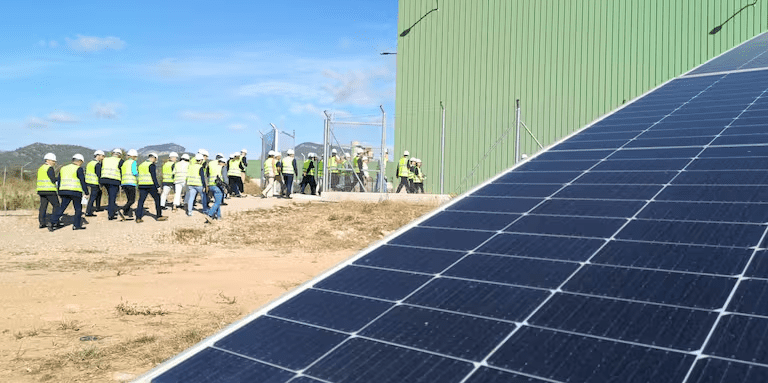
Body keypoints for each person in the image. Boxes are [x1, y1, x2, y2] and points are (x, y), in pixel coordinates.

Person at [49, 154, 88, 231]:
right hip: (75, 191)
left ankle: (53, 222)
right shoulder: (78, 169)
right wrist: (86, 192)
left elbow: (59, 180)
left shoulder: (63, 168)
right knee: (78, 208)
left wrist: (59, 190)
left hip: (63, 191)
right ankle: (76, 225)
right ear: (79, 161)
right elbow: (82, 181)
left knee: (62, 207)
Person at [136, 153, 168, 223]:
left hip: (141, 184)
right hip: (150, 184)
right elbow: (153, 176)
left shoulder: (141, 165)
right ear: (154, 158)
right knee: (157, 199)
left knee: (141, 201)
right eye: (156, 159)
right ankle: (159, 216)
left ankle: (138, 217)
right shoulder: (151, 165)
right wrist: (158, 187)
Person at [36, 153, 60, 229]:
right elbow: (53, 179)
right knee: (56, 206)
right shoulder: (49, 168)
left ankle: (42, 223)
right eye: (53, 161)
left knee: (43, 206)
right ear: (48, 160)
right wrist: (59, 178)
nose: (54, 163)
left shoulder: (41, 168)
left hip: (41, 190)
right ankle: (54, 222)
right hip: (50, 190)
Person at [100, 149, 123, 220]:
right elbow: (122, 171)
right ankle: (111, 214)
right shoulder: (120, 161)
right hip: (114, 180)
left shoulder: (105, 159)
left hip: (104, 179)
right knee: (112, 197)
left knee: (110, 196)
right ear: (119, 155)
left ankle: (112, 209)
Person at [205, 156, 227, 223]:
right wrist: (226, 187)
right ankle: (209, 215)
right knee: (217, 202)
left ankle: (219, 216)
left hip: (211, 185)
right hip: (218, 186)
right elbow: (224, 177)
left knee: (217, 201)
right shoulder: (222, 168)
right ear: (223, 162)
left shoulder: (212, 165)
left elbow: (207, 174)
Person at [118, 149, 139, 221]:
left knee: (129, 199)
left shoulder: (124, 163)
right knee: (132, 200)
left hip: (124, 183)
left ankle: (126, 212)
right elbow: (134, 172)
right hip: (131, 182)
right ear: (134, 156)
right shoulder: (133, 162)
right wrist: (138, 176)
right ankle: (123, 209)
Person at [84, 150, 104, 217]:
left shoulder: (90, 163)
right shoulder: (97, 164)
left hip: (88, 182)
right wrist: (101, 183)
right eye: (102, 156)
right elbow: (99, 174)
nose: (103, 157)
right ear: (98, 156)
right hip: (94, 182)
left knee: (99, 193)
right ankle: (88, 211)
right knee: (93, 197)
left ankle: (98, 207)